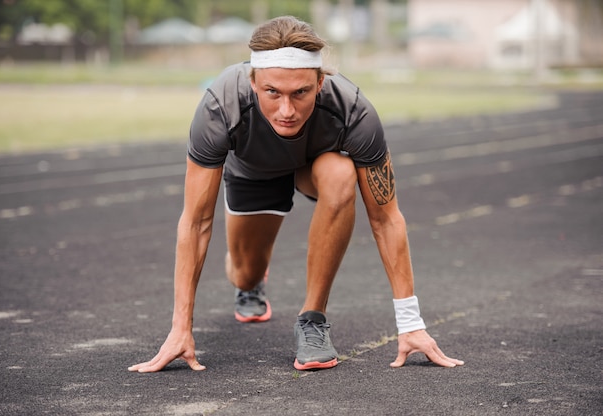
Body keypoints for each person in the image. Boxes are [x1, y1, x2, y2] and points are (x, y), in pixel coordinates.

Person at [129, 16, 463, 373]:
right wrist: (180, 329)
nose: (286, 111)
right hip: (253, 172)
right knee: (245, 274)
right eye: (273, 92)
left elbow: (385, 218)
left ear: (320, 82)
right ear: (253, 81)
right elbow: (196, 222)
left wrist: (410, 323)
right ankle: (253, 280)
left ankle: (313, 320)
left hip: (313, 166)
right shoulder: (220, 105)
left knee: (340, 173)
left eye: (300, 93)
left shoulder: (353, 111)